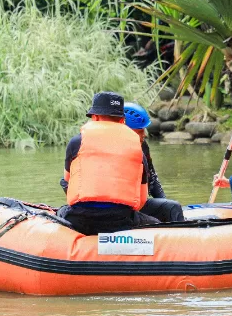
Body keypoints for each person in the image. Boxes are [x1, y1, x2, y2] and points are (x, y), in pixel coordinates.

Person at [57, 92, 160, 235]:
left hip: (80, 219)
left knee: (61, 211)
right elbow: (141, 199)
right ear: (122, 120)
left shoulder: (76, 143)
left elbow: (67, 182)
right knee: (156, 224)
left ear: (95, 117)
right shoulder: (137, 148)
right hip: (121, 221)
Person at [123, 102, 184, 223]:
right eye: (140, 131)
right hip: (120, 206)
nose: (144, 134)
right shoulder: (113, 149)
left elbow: (152, 178)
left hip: (138, 204)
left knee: (172, 207)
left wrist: (163, 202)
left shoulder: (143, 146)